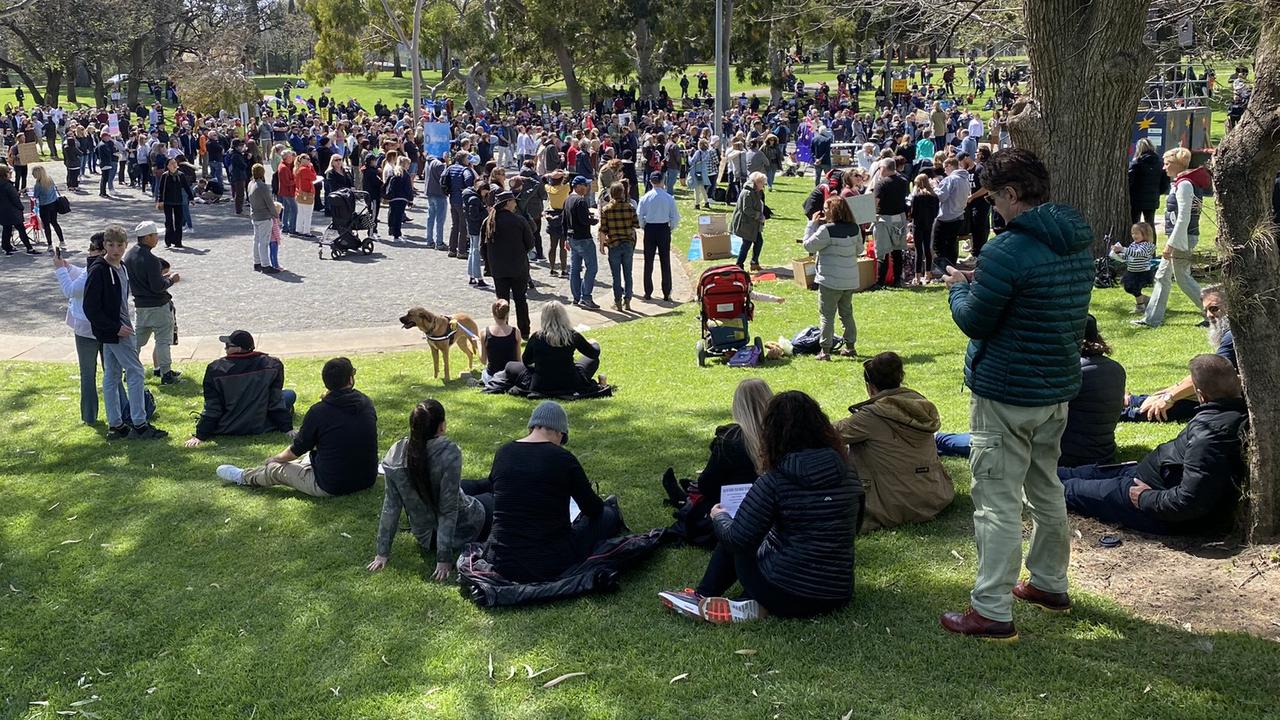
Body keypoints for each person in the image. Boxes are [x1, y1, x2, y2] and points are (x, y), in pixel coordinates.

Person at [940, 148, 1094, 641]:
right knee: (1045, 486)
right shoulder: (1076, 239)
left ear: (1011, 194)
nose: (993, 211)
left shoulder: (1006, 251)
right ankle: (1049, 583)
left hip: (1006, 393)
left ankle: (991, 609)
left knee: (996, 501)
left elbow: (975, 320)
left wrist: (959, 289)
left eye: (995, 200)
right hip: (1055, 388)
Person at [659, 391, 862, 624]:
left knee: (735, 535)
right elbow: (855, 525)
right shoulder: (849, 472)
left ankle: (702, 595)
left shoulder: (775, 479)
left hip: (787, 590)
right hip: (838, 593)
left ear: (772, 434)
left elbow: (737, 539)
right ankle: (753, 603)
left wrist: (719, 516)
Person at [1060, 354, 1246, 536]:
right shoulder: (1224, 417)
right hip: (1145, 478)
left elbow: (1189, 502)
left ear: (1200, 396)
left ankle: (1036, 488)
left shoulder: (1210, 436)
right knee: (1073, 474)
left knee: (1069, 489)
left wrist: (1144, 498)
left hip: (1154, 506)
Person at [937, 314, 1126, 468]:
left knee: (990, 441)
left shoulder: (1068, 373)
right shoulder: (1116, 369)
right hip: (1103, 453)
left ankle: (937, 439)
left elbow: (1032, 419)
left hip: (1062, 456)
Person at [481, 401, 624, 583]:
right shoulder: (563, 459)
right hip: (549, 561)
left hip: (500, 559)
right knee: (608, 515)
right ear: (559, 433)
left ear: (532, 427)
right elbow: (593, 509)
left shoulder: (503, 453)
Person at [216, 357, 378, 497]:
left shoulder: (319, 411)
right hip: (367, 478)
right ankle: (302, 467)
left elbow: (297, 449)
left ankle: (244, 477)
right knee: (310, 457)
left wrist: (275, 459)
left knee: (276, 469)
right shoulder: (365, 402)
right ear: (350, 380)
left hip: (331, 486)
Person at [368, 399, 495, 578]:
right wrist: (444, 558)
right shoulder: (448, 452)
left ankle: (491, 481)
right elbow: (448, 509)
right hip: (464, 527)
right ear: (441, 426)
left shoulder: (395, 454)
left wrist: (382, 553)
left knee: (472, 485)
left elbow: (391, 507)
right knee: (492, 498)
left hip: (425, 535)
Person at [834, 352, 953, 532]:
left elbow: (825, 434)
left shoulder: (870, 416)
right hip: (933, 496)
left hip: (893, 505)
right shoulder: (920, 405)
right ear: (900, 378)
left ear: (870, 387)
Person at [662, 379, 773, 546]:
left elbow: (707, 485)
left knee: (703, 504)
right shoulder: (784, 436)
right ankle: (684, 498)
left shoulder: (730, 441)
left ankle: (683, 500)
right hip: (771, 511)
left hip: (737, 513)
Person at [82, 225, 168, 440]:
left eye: (120, 245)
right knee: (135, 371)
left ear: (125, 245)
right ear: (104, 246)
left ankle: (116, 425)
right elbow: (90, 307)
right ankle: (139, 423)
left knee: (112, 375)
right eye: (111, 245)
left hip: (117, 328)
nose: (116, 249)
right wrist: (114, 328)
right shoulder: (99, 270)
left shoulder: (121, 267)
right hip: (115, 331)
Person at [1124, 286, 1235, 423]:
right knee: (1179, 394)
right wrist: (1167, 393)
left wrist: (1169, 397)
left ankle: (1120, 412)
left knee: (1171, 405)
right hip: (1222, 388)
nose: (1209, 315)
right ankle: (1130, 401)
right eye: (1205, 310)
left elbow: (1209, 373)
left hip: (1230, 395)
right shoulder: (1230, 333)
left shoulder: (1232, 336)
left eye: (1214, 309)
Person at [1135, 147, 1210, 329]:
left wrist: (1171, 245)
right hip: (1181, 237)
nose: (1164, 167)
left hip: (1182, 239)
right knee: (1169, 277)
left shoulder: (1184, 185)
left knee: (1175, 278)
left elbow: (1183, 218)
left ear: (1177, 165)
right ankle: (1152, 319)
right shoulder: (1181, 182)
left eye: (1167, 163)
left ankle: (1216, 312)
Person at [183, 330, 296, 448]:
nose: (225, 349)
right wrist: (287, 428)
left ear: (238, 349)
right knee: (289, 394)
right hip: (259, 422)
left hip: (227, 425)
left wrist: (200, 435)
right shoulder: (273, 364)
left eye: (228, 346)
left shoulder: (215, 369)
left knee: (288, 394)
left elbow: (212, 407)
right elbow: (275, 401)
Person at [122, 221, 182, 384]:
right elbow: (157, 287)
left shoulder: (128, 255)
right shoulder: (151, 259)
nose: (157, 238)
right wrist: (171, 280)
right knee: (163, 341)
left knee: (137, 342)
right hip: (158, 306)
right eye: (155, 235)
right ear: (147, 237)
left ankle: (129, 369)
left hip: (141, 306)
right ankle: (166, 373)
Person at [55, 232, 105, 423]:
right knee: (112, 375)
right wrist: (68, 267)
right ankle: (121, 414)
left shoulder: (94, 270)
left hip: (86, 329)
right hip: (104, 328)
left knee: (88, 375)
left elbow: (71, 290)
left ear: (101, 250)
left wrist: (60, 269)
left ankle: (89, 416)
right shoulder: (107, 267)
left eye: (92, 248)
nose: (89, 251)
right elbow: (81, 275)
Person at [504, 302, 604, 396]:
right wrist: (594, 343)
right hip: (570, 382)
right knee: (592, 360)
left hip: (540, 383)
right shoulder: (572, 335)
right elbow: (594, 354)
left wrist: (540, 365)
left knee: (510, 365)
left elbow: (526, 361)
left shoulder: (536, 337)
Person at [483, 190, 535, 337]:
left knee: (501, 302)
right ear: (507, 203)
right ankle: (524, 332)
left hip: (498, 269)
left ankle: (502, 330)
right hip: (518, 267)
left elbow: (483, 246)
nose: (515, 204)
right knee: (520, 300)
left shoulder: (489, 222)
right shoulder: (519, 221)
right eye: (513, 201)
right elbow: (530, 243)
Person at [636, 171, 680, 303]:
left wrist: (644, 226)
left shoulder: (645, 198)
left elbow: (639, 215)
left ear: (650, 182)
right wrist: (670, 228)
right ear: (662, 181)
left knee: (648, 261)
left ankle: (647, 291)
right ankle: (666, 292)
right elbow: (675, 217)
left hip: (650, 228)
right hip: (663, 229)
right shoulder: (668, 198)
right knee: (665, 261)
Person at [599, 182, 640, 311]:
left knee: (616, 276)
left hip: (613, 244)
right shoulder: (630, 207)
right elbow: (636, 225)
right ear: (623, 193)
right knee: (628, 274)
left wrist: (601, 245)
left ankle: (617, 301)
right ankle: (627, 299)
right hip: (627, 243)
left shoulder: (606, 209)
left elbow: (603, 229)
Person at [871, 158, 910, 288]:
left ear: (885, 168)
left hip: (884, 218)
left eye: (880, 167)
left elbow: (875, 202)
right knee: (897, 250)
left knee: (883, 251)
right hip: (899, 218)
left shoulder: (881, 183)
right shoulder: (904, 181)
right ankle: (897, 280)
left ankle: (880, 282)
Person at [564, 175, 600, 308]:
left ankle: (576, 296)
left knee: (575, 268)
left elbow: (564, 221)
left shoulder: (567, 199)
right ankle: (586, 296)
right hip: (583, 238)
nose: (587, 188)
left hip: (572, 238)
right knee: (592, 267)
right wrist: (595, 220)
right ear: (578, 186)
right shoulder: (580, 201)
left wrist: (565, 238)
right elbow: (584, 220)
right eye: (585, 185)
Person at [1111, 222, 1157, 313]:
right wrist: (1118, 254)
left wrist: (1123, 249)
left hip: (1142, 272)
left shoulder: (1147, 245)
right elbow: (1128, 256)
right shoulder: (1133, 244)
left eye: (1137, 233)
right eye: (1133, 233)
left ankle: (1140, 307)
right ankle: (1145, 299)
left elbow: (1137, 253)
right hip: (1132, 271)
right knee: (1128, 287)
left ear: (1145, 234)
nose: (1134, 235)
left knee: (1135, 288)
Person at [931, 158, 969, 270]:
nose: (944, 171)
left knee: (938, 245)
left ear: (949, 166)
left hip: (946, 217)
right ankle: (952, 268)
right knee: (952, 244)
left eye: (945, 168)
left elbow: (942, 197)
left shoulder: (950, 179)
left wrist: (934, 186)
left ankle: (941, 269)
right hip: (959, 215)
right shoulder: (964, 179)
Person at [732, 172, 768, 272]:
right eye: (763, 183)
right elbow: (747, 209)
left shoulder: (755, 191)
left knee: (759, 242)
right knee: (746, 244)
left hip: (753, 223)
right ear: (757, 182)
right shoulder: (748, 192)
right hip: (746, 223)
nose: (763, 186)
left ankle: (754, 262)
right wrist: (759, 216)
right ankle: (739, 265)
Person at [480, 299, 523, 384]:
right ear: (507, 314)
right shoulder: (516, 332)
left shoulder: (484, 332)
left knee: (484, 373)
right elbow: (518, 360)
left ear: (493, 314)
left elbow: (483, 360)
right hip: (511, 376)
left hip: (493, 377)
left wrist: (478, 342)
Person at [245, 164, 277, 273]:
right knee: (264, 242)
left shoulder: (250, 184)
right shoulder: (262, 186)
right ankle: (265, 265)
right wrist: (275, 214)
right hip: (264, 216)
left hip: (255, 215)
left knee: (257, 240)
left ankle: (257, 262)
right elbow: (269, 202)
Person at [1127, 138, 1167, 225]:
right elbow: (1164, 183)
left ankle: (1135, 238)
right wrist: (1157, 192)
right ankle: (1151, 239)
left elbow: (1129, 181)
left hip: (1136, 198)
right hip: (1152, 198)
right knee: (1150, 223)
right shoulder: (1159, 163)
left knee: (1135, 222)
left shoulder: (1136, 163)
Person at [156, 158, 194, 248]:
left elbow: (186, 187)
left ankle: (178, 242)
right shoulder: (165, 176)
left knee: (178, 222)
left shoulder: (181, 175)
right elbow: (161, 190)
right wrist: (160, 200)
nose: (174, 165)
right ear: (168, 166)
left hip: (178, 201)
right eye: (172, 163)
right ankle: (168, 241)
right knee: (169, 222)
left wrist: (191, 198)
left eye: (175, 163)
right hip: (168, 202)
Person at [908, 174, 939, 283]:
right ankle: (928, 274)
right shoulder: (934, 196)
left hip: (918, 224)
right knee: (927, 249)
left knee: (918, 250)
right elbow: (936, 212)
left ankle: (917, 276)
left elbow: (913, 213)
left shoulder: (916, 196)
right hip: (929, 224)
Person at [0, 165, 36, 254]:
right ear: (5, 174)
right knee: (21, 229)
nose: (11, 174)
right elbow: (15, 199)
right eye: (9, 172)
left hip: (2, 211)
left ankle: (6, 247)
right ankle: (29, 248)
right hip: (12, 212)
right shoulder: (8, 186)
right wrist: (21, 207)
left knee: (7, 229)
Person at [31, 165, 66, 250]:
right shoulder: (49, 179)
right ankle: (62, 241)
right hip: (53, 204)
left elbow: (35, 196)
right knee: (55, 223)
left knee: (46, 225)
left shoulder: (38, 185)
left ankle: (50, 244)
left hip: (44, 206)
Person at [293, 154, 319, 237]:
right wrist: (311, 168)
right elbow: (314, 177)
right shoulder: (305, 169)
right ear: (303, 160)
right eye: (307, 159)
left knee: (300, 213)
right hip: (307, 193)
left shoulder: (297, 169)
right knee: (308, 214)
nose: (309, 160)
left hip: (299, 193)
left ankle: (299, 229)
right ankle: (306, 231)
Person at [276, 150, 298, 234]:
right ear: (286, 158)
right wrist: (295, 180)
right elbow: (287, 182)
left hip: (285, 191)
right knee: (294, 210)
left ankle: (285, 227)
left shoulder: (285, 165)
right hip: (288, 192)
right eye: (290, 156)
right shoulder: (284, 168)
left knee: (287, 209)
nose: (292, 157)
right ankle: (292, 228)